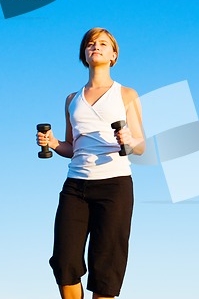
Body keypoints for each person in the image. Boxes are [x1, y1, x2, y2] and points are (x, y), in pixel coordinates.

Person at [36, 27, 145, 299]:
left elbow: (141, 146)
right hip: (76, 186)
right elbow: (72, 147)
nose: (95, 46)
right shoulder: (72, 100)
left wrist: (129, 139)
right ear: (85, 54)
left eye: (103, 44)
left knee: (107, 267)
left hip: (115, 185)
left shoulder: (126, 94)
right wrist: (52, 143)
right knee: (64, 261)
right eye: (91, 44)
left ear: (113, 55)